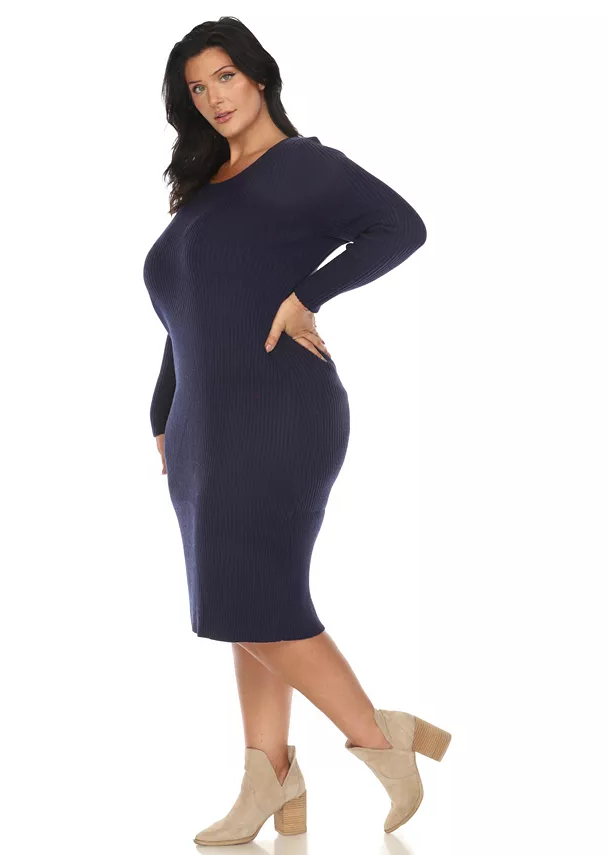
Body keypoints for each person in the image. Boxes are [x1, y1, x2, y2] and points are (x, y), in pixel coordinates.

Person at [142, 16, 451, 845]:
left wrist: (309, 294)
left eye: (224, 77)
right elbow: (185, 315)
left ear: (259, 77)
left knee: (263, 596)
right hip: (202, 425)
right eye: (197, 88)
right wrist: (162, 409)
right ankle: (269, 777)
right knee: (240, 602)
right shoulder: (203, 190)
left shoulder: (304, 166)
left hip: (280, 410)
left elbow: (401, 227)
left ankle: (380, 737)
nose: (213, 98)